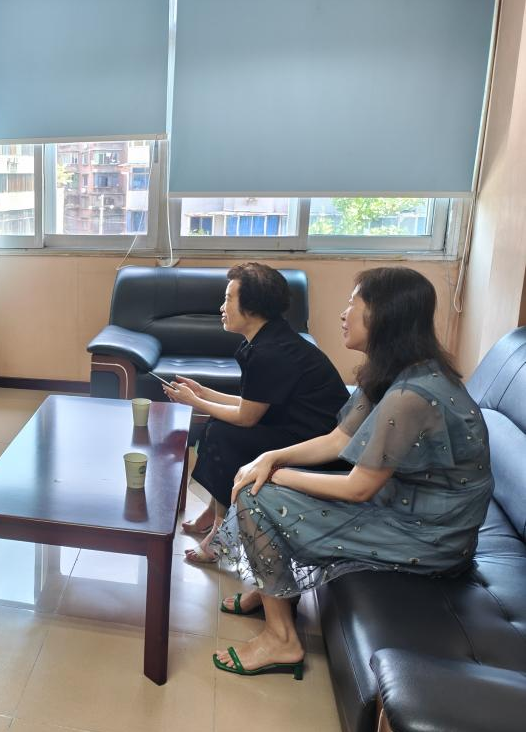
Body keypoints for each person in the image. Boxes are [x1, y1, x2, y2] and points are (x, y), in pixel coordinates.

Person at [211, 267, 493, 680]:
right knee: (262, 478)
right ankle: (275, 591)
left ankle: (281, 639)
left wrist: (274, 476)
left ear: (383, 315)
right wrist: (271, 457)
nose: (343, 314)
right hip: (402, 507)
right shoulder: (393, 371)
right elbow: (337, 439)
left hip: (429, 535)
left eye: (353, 304)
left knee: (258, 497)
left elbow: (358, 488)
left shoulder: (410, 395)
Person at [164, 263, 349, 563]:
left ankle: (222, 535)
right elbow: (253, 404)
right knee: (218, 425)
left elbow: (246, 417)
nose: (221, 307)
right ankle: (214, 512)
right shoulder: (267, 339)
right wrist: (203, 392)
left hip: (317, 445)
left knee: (224, 434)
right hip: (293, 426)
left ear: (251, 307)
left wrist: (193, 401)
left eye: (228, 299)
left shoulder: (271, 351)